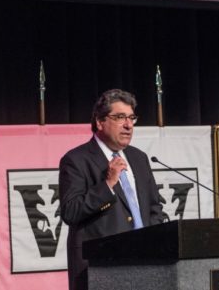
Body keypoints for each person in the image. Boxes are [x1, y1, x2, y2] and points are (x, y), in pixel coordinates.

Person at [59, 89, 164, 290]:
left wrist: (154, 242)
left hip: (145, 266)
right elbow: (70, 212)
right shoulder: (76, 160)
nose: (128, 125)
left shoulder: (139, 158)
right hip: (101, 268)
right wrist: (107, 185)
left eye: (132, 117)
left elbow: (154, 208)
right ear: (99, 122)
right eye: (120, 117)